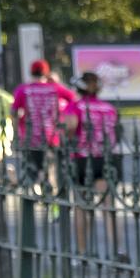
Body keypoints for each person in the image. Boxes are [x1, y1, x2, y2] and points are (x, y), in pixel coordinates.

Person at [62, 71, 124, 260]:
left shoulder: (76, 106)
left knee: (82, 206)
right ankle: (117, 250)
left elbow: (70, 127)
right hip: (106, 158)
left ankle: (82, 253)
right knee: (108, 206)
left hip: (83, 158)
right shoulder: (109, 108)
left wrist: (67, 136)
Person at [11, 60, 78, 188]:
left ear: (31, 73)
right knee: (51, 169)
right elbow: (74, 99)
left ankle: (35, 195)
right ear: (46, 73)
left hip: (29, 137)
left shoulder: (24, 89)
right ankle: (51, 198)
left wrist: (17, 126)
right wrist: (63, 115)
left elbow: (14, 111)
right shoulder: (55, 89)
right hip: (52, 136)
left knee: (32, 170)